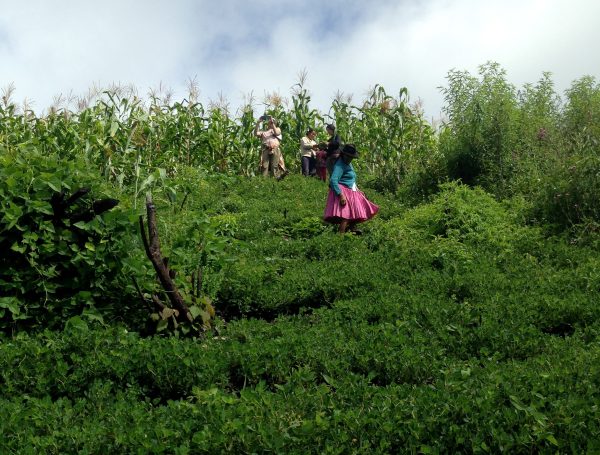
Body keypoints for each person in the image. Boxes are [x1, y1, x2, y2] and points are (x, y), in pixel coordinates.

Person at [324, 144, 379, 234]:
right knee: (346, 215)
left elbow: (351, 179)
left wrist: (357, 189)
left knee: (357, 209)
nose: (349, 158)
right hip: (343, 190)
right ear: (343, 154)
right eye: (348, 156)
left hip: (351, 190)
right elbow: (333, 180)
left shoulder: (349, 164)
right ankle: (340, 237)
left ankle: (352, 229)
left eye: (351, 157)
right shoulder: (340, 165)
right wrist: (340, 194)